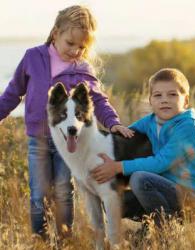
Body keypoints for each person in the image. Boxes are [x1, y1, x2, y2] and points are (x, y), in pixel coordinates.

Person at [0, 5, 133, 239]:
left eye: (82, 47)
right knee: (38, 193)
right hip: (38, 141)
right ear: (55, 34)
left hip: (71, 145)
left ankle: (64, 238)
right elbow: (13, 92)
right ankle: (39, 239)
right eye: (70, 44)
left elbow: (99, 101)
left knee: (63, 191)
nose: (75, 51)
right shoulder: (33, 57)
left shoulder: (82, 69)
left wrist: (113, 123)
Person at [91, 68, 195, 226]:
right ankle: (151, 229)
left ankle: (165, 230)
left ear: (186, 100)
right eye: (158, 95)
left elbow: (161, 162)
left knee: (140, 178)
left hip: (191, 199)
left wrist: (118, 167)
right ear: (151, 100)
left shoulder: (188, 128)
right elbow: (127, 137)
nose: (164, 100)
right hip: (164, 189)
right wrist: (110, 131)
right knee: (114, 202)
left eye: (172, 94)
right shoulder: (151, 121)